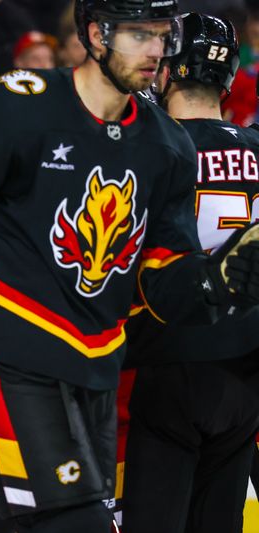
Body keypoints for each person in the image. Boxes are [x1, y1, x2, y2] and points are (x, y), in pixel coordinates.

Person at [0, 0, 259, 531]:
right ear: (94, 34)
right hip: (5, 338)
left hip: (95, 360)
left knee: (2, 507)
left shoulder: (167, 146)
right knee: (73, 516)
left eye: (161, 36)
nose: (157, 51)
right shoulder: (23, 102)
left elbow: (162, 279)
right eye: (140, 35)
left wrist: (215, 282)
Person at [121, 13, 259, 533]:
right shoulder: (255, 147)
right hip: (246, 368)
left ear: (167, 70)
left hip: (166, 360)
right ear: (228, 79)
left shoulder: (151, 150)